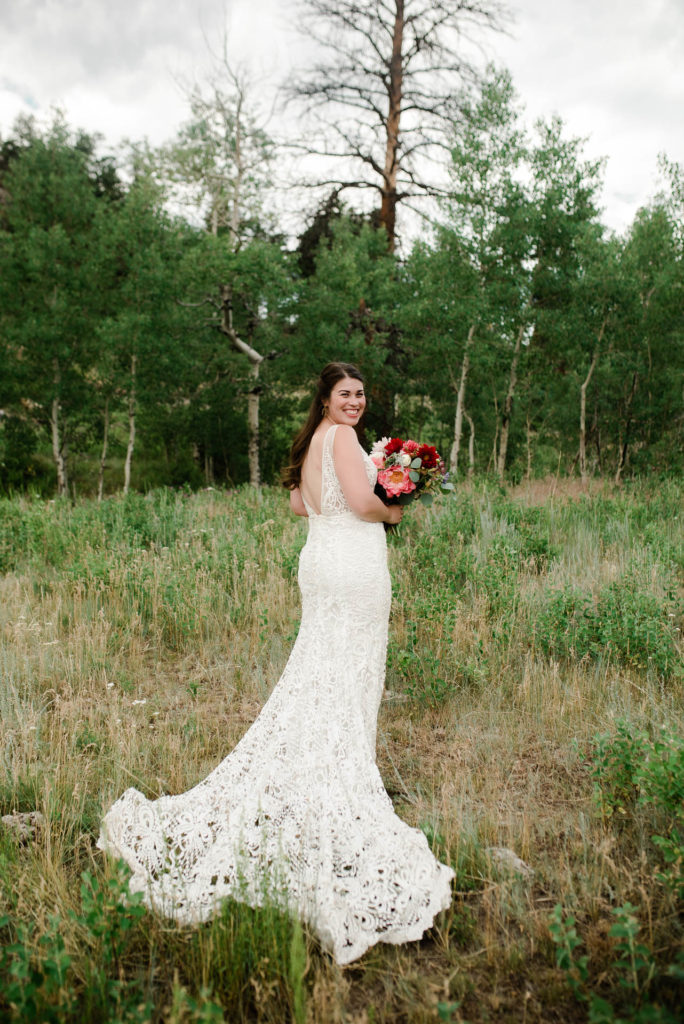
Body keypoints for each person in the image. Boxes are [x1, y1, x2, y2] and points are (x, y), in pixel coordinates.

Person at [98, 362, 453, 965]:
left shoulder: (316, 440)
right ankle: (336, 783)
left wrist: (379, 488)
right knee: (344, 673)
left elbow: (299, 504)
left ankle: (327, 765)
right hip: (351, 569)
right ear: (326, 398)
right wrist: (396, 507)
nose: (355, 403)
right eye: (345, 394)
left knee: (322, 674)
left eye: (361, 395)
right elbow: (366, 505)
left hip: (321, 559)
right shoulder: (340, 439)